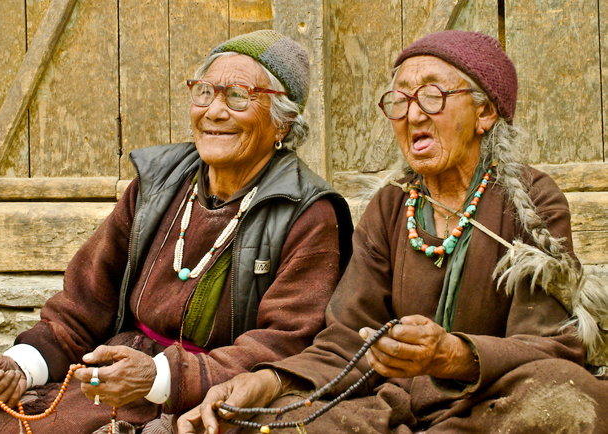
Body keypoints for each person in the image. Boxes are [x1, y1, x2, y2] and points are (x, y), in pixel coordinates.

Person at [177, 30, 608, 433]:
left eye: (433, 96)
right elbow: (347, 340)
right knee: (271, 422)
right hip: (392, 407)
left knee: (567, 396)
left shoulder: (533, 199)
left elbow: (551, 347)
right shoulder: (391, 204)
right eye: (399, 100)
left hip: (491, 403)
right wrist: (268, 382)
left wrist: (453, 355)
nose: (413, 113)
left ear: (486, 112)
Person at [0, 30, 354, 433]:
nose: (214, 111)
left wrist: (160, 376)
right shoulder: (160, 184)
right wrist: (23, 366)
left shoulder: (308, 212)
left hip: (215, 394)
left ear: (282, 124)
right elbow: (85, 302)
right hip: (120, 374)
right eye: (204, 92)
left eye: (237, 95)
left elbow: (287, 343)